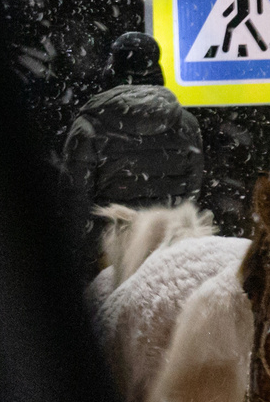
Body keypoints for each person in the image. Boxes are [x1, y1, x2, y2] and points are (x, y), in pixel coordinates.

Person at [59, 30, 207, 257]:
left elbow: (74, 203)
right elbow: (192, 192)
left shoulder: (88, 126)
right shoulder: (186, 124)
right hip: (168, 253)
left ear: (113, 68)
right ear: (156, 69)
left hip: (111, 257)